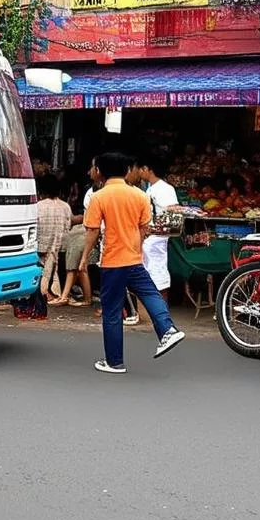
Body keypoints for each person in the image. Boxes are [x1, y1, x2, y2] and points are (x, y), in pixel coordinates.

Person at [79, 151, 185, 374]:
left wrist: (83, 257)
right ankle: (167, 329)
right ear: (127, 170)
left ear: (99, 171)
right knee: (150, 294)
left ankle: (114, 362)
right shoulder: (140, 195)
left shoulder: (99, 197)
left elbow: (92, 231)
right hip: (134, 258)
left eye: (93, 168)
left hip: (112, 261)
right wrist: (136, 246)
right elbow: (145, 227)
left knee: (112, 311)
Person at [15, 174, 72, 320]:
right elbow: (67, 227)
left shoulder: (37, 207)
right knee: (46, 278)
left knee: (36, 280)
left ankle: (33, 308)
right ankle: (39, 308)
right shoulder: (65, 207)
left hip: (38, 248)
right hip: (56, 250)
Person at [139, 155, 181, 295]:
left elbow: (173, 215)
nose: (139, 172)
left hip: (157, 238)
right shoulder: (150, 188)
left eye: (141, 169)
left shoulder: (165, 189)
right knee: (150, 272)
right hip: (149, 237)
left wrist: (153, 230)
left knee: (158, 273)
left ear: (147, 169)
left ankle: (162, 309)